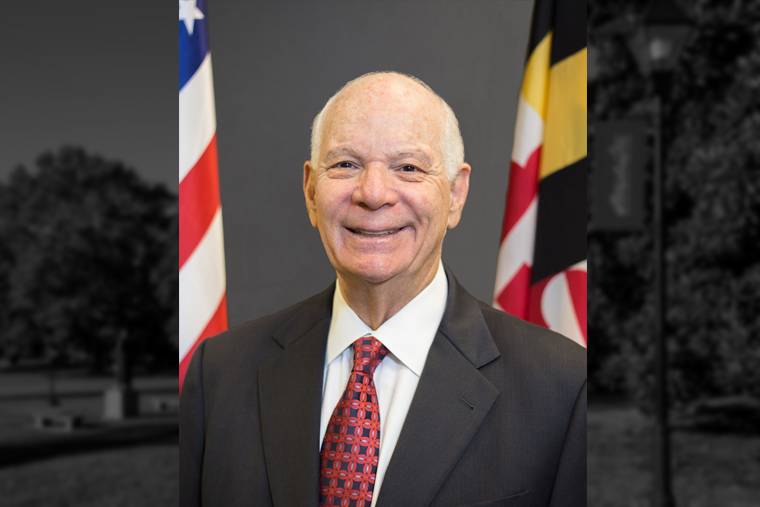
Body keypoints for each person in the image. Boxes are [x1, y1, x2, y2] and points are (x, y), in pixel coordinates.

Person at [180, 72, 586, 507]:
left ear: (456, 194)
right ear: (311, 191)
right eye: (345, 165)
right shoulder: (218, 375)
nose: (373, 194)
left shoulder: (563, 388)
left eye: (408, 167)